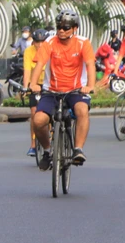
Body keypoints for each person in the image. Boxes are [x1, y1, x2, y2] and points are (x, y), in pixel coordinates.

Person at [29, 11, 94, 168]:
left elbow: (90, 64)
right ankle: (47, 150)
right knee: (38, 121)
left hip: (76, 90)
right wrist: (33, 84)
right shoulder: (49, 42)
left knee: (82, 110)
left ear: (74, 28)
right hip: (51, 91)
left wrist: (90, 85)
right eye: (59, 27)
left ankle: (78, 149)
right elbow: (39, 64)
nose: (61, 31)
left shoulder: (83, 42)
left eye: (66, 28)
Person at [22, 28, 48, 157]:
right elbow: (27, 71)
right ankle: (33, 144)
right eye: (37, 42)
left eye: (42, 42)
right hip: (35, 85)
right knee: (34, 113)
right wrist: (25, 87)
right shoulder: (28, 51)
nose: (40, 45)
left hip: (49, 84)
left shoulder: (50, 50)